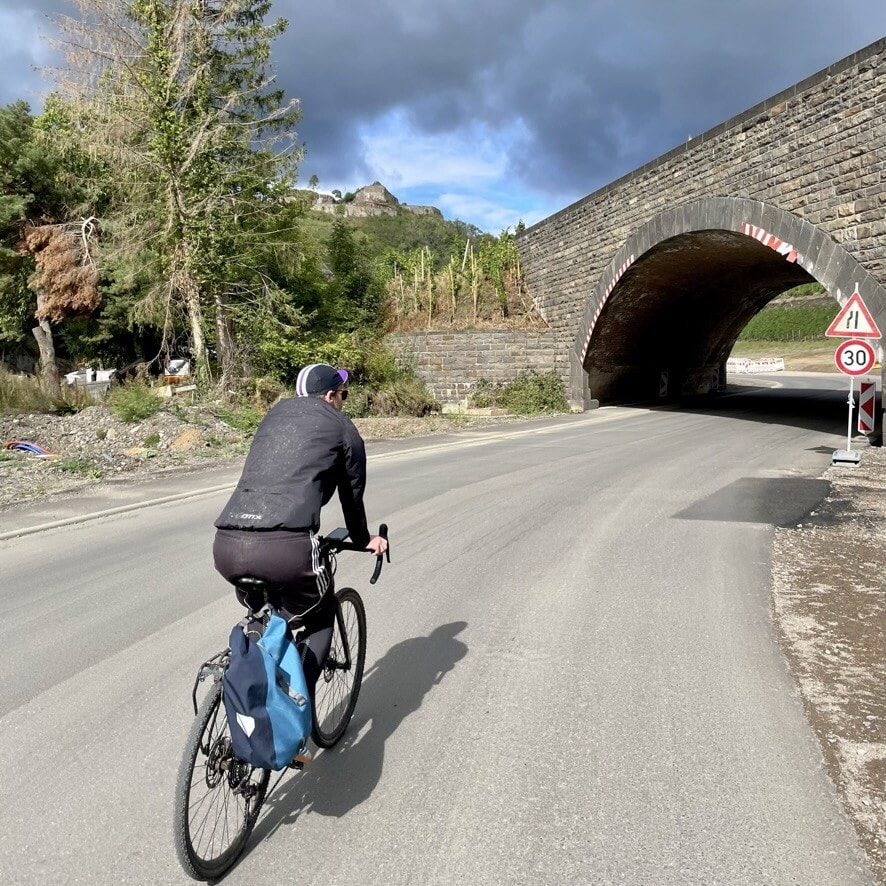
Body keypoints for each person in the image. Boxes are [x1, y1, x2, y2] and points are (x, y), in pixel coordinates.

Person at [213, 363, 387, 692]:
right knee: (320, 618)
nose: (343, 401)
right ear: (332, 396)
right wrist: (364, 540)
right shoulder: (341, 425)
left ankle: (254, 681)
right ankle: (296, 715)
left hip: (228, 545)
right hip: (286, 549)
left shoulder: (274, 417)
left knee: (268, 614)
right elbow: (352, 497)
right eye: (343, 395)